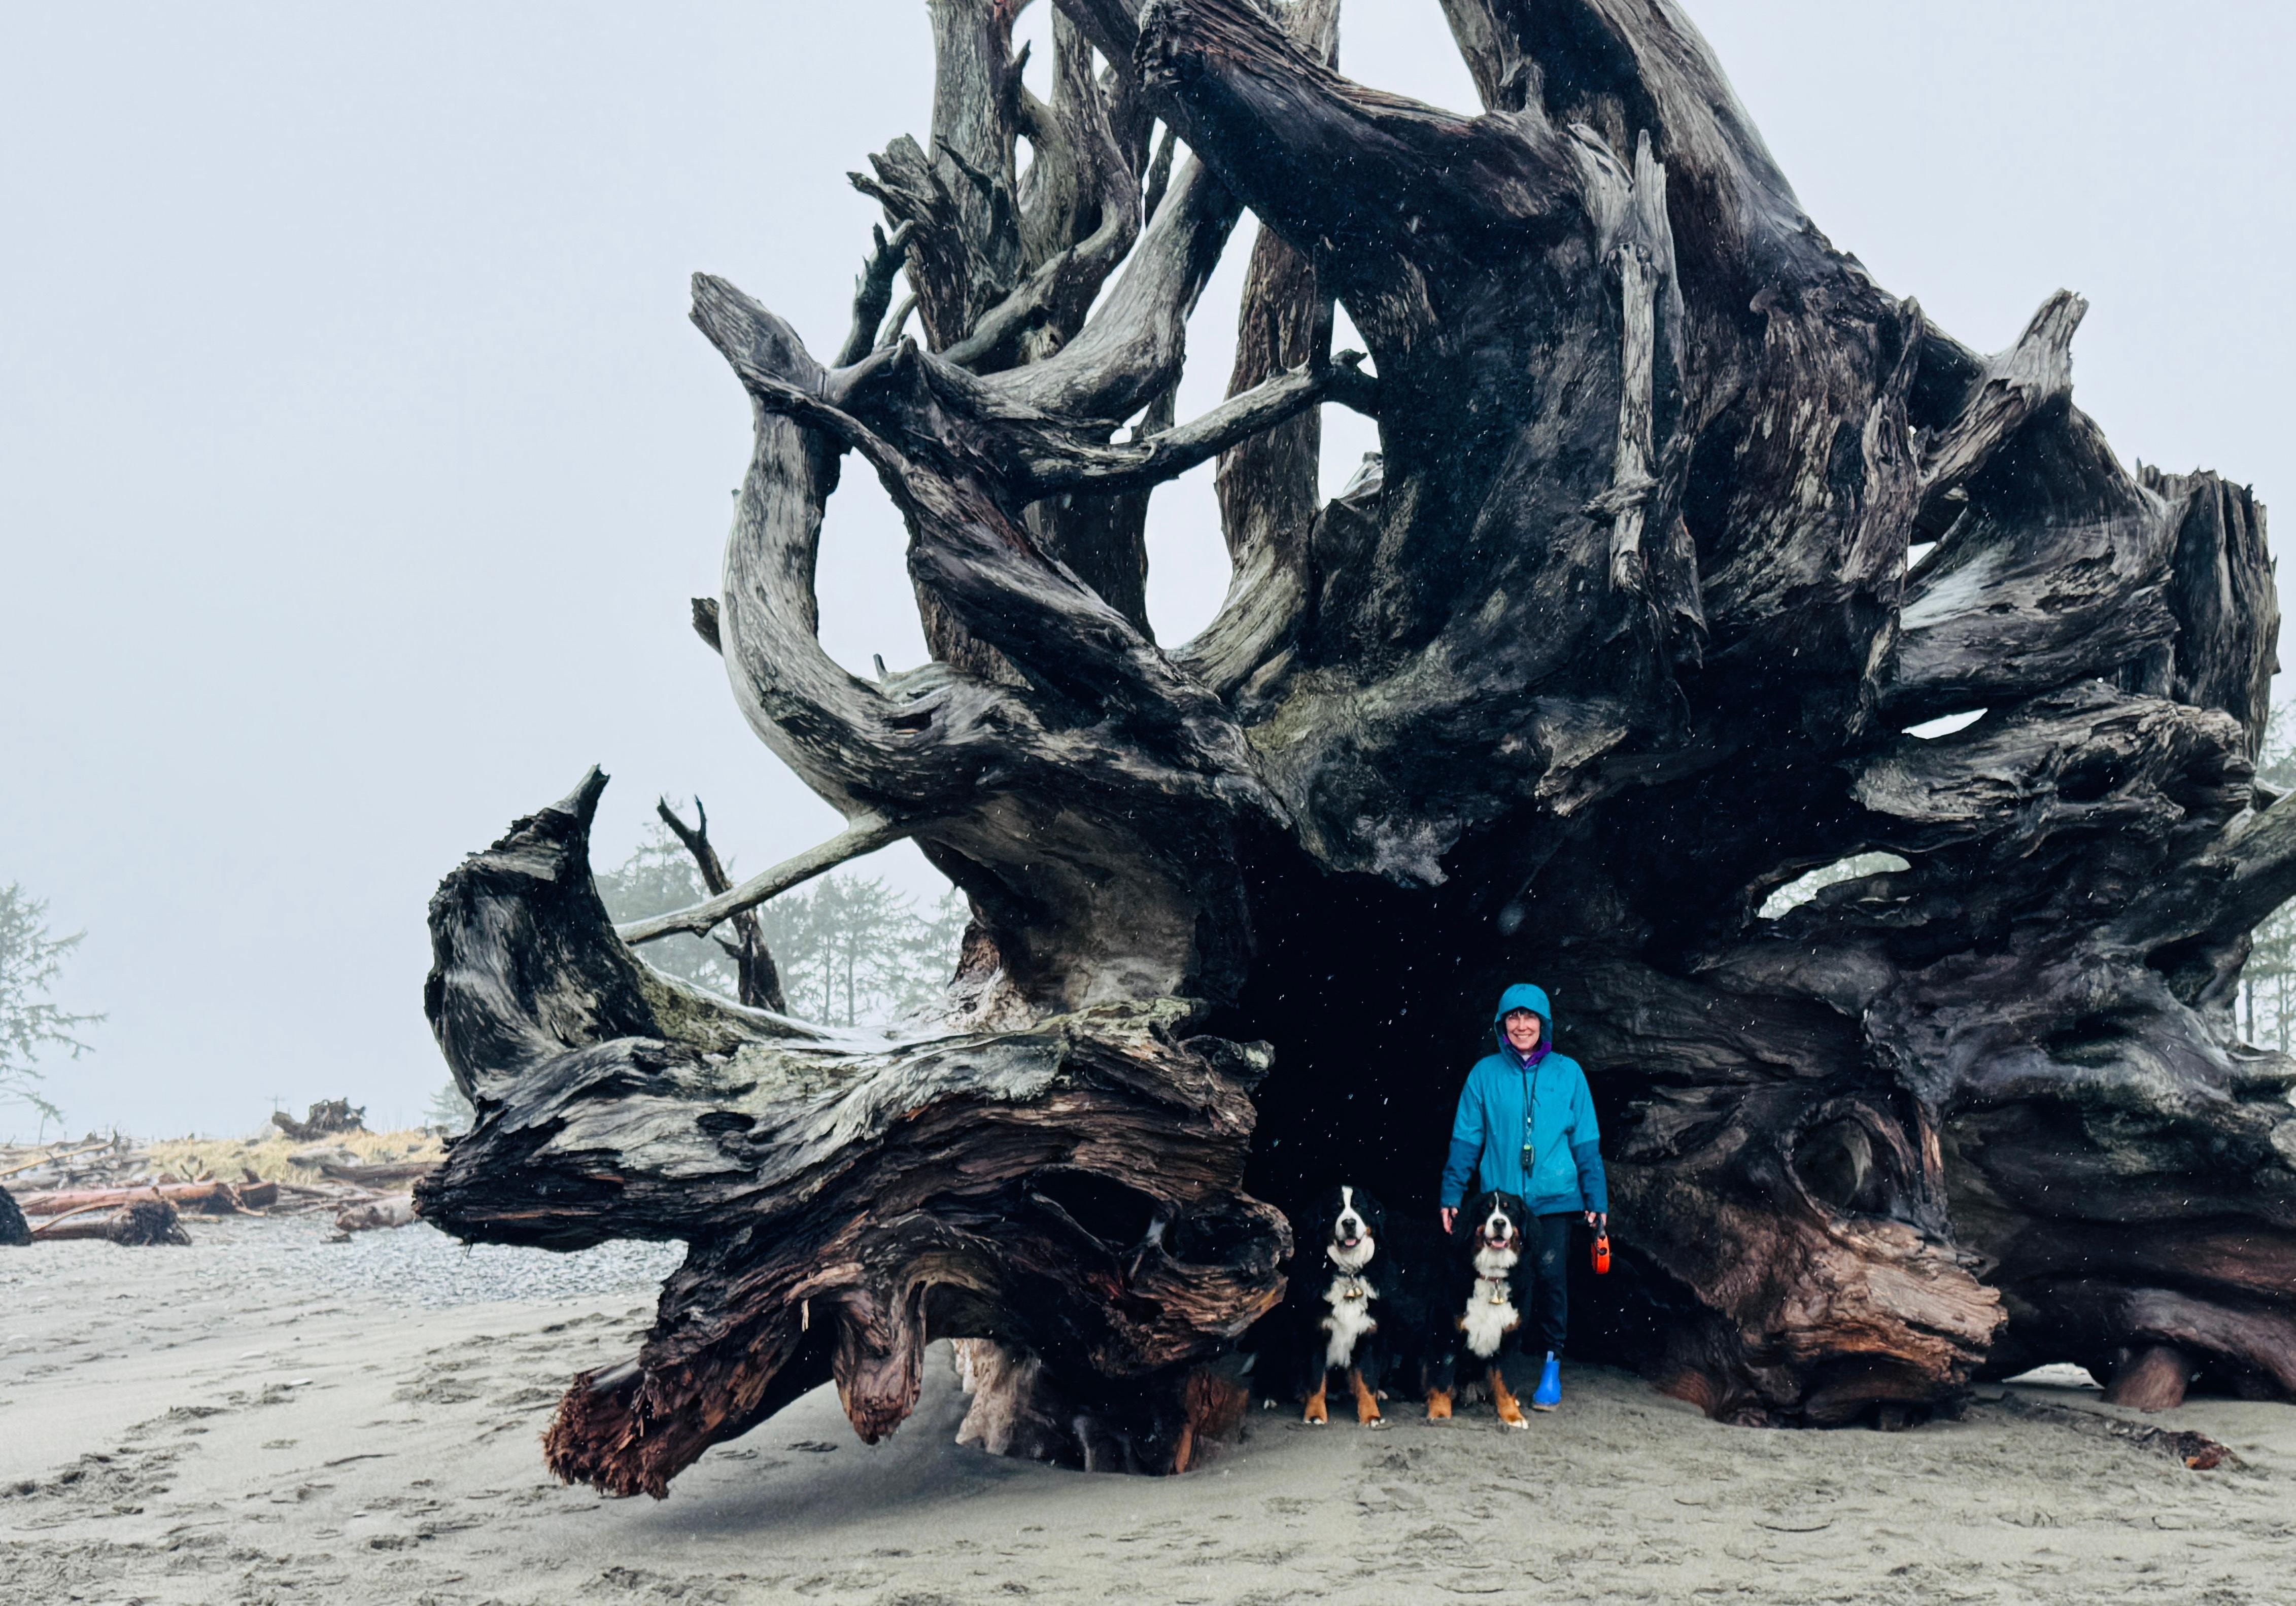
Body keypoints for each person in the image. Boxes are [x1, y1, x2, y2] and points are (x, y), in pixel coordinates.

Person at [1437, 983, 1607, 1411]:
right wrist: (1451, 1193)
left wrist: (1596, 1201)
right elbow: (1465, 1140)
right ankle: (1482, 1364)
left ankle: (1550, 1366)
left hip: (1554, 1201)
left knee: (1549, 1282)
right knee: (1489, 1279)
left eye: (1529, 1017)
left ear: (1544, 1024)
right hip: (1500, 1203)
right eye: (1512, 1017)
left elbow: (1586, 1144)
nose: (1521, 1025)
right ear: (1501, 1025)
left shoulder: (1569, 1074)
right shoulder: (1484, 1074)